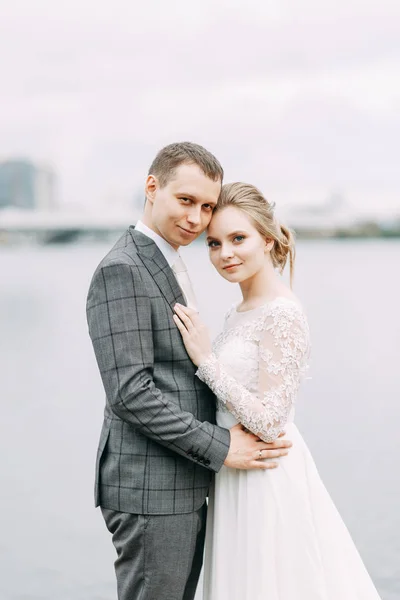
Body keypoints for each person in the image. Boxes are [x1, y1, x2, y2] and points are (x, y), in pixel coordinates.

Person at [86, 144, 291, 600]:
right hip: (149, 489)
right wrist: (222, 447)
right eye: (186, 201)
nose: (197, 220)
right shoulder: (123, 269)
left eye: (206, 207)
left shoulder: (166, 260)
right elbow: (131, 392)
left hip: (182, 481)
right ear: (152, 186)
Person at [173, 182, 382, 600]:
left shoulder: (282, 313)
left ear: (267, 240)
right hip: (234, 471)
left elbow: (271, 420)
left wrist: (205, 360)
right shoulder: (239, 311)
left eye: (238, 239)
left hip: (266, 476)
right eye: (214, 243)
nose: (225, 254)